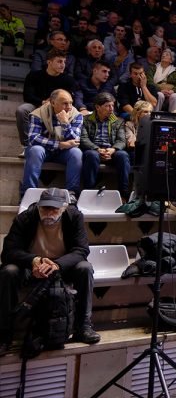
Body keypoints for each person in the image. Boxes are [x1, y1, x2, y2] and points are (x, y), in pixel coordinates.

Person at [0, 188, 100, 356]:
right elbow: (9, 252)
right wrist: (34, 260)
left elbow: (81, 250)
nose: (48, 213)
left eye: (54, 209)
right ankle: (4, 335)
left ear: (63, 208)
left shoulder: (74, 217)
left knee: (85, 268)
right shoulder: (25, 218)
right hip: (31, 267)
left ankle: (83, 326)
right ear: (39, 206)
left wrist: (57, 265)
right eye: (45, 208)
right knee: (8, 271)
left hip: (62, 267)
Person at [22, 90, 82, 203]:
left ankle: (71, 194)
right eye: (65, 103)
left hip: (63, 153)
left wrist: (65, 123)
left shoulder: (76, 115)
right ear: (53, 103)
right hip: (45, 151)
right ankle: (28, 194)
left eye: (71, 103)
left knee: (76, 153)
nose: (69, 107)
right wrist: (59, 144)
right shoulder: (38, 113)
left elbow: (75, 140)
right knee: (35, 150)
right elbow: (33, 138)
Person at [17, 49, 81, 149]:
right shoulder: (34, 76)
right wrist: (43, 102)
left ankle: (64, 144)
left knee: (73, 112)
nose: (63, 65)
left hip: (58, 108)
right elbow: (27, 96)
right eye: (59, 61)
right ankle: (26, 145)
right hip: (37, 105)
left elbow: (72, 100)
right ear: (49, 62)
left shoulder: (69, 80)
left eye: (64, 62)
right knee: (22, 110)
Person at [79, 92, 131, 197]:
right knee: (91, 155)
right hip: (94, 150)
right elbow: (83, 139)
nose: (111, 109)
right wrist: (97, 149)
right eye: (107, 106)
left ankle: (124, 193)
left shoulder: (118, 121)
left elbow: (121, 140)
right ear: (97, 107)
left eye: (112, 105)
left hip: (111, 151)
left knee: (123, 155)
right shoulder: (86, 120)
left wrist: (113, 149)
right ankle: (88, 191)